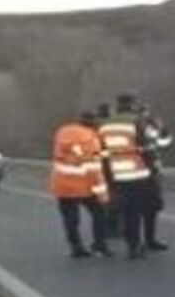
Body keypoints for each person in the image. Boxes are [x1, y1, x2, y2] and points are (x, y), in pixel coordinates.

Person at [98, 94, 159, 259]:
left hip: (116, 173)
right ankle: (134, 246)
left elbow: (101, 150)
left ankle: (126, 242)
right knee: (135, 211)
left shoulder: (105, 124)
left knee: (123, 209)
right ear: (132, 104)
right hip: (137, 172)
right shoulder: (137, 121)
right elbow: (154, 142)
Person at [48, 110, 110, 258]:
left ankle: (76, 247)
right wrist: (102, 192)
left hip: (62, 183)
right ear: (92, 122)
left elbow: (63, 154)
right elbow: (93, 167)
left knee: (70, 218)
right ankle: (99, 246)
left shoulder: (63, 132)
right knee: (100, 213)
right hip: (83, 185)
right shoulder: (91, 138)